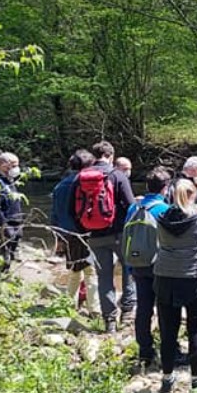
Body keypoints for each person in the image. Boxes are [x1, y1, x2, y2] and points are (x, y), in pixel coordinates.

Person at [154, 178, 197, 393]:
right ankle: (196, 381)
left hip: (165, 276)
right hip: (194, 279)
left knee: (168, 331)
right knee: (195, 331)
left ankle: (167, 377)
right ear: (192, 195)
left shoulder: (160, 218)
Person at [73, 140, 137, 332]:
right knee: (129, 270)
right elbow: (130, 205)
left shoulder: (80, 178)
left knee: (104, 277)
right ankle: (127, 311)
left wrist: (85, 229)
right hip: (119, 233)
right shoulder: (117, 175)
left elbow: (73, 209)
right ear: (111, 155)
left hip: (94, 235)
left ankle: (109, 321)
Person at [125, 167, 171, 371]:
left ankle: (145, 350)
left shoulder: (133, 208)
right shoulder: (164, 209)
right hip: (159, 265)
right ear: (165, 188)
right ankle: (168, 347)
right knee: (164, 308)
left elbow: (127, 236)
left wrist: (128, 267)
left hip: (137, 263)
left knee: (143, 308)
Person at [50, 149, 99, 315]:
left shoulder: (60, 185)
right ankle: (95, 310)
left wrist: (58, 237)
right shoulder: (87, 184)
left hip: (66, 232)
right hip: (85, 231)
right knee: (91, 271)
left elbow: (54, 214)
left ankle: (67, 306)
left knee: (74, 270)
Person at [0, 152, 25, 270]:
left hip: (16, 222)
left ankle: (7, 274)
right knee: (4, 256)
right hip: (6, 224)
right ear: (3, 165)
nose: (16, 168)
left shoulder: (9, 180)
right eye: (14, 165)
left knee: (11, 255)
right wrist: (4, 226)